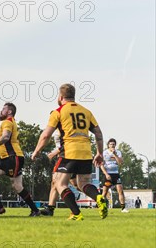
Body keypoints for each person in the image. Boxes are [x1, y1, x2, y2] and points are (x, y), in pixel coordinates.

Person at [31, 84, 108, 221]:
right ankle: (98, 197)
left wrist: (37, 150)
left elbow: (45, 135)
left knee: (60, 184)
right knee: (83, 184)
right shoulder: (86, 111)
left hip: (69, 153)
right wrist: (99, 153)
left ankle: (76, 213)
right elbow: (98, 133)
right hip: (85, 152)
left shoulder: (58, 112)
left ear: (60, 97)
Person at [0, 102, 41, 217]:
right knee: (12, 185)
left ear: (9, 112)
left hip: (12, 158)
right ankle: (34, 210)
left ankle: (1, 207)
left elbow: (5, 137)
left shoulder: (7, 122)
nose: (0, 111)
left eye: (3, 109)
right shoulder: (10, 122)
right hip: (11, 158)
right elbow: (10, 141)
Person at [101, 138, 128, 213]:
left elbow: (120, 162)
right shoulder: (104, 153)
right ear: (108, 145)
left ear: (115, 145)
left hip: (115, 174)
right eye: (110, 144)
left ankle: (123, 208)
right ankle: (101, 207)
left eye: (113, 144)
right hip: (108, 175)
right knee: (105, 192)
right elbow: (101, 165)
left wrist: (115, 154)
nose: (112, 145)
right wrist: (106, 174)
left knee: (120, 190)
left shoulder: (118, 152)